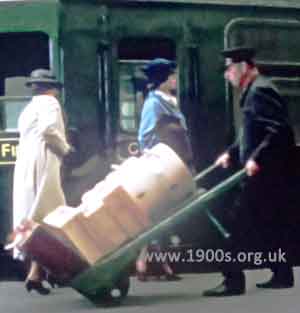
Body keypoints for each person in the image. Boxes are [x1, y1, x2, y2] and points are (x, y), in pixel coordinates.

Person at [202, 47, 296, 297]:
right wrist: (232, 153)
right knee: (270, 224)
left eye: (229, 69)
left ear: (244, 67)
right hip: (266, 176)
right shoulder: (254, 91)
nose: (227, 75)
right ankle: (282, 274)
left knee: (235, 223)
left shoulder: (261, 90)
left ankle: (232, 281)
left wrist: (255, 159)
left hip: (264, 175)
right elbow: (250, 133)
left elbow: (278, 130)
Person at [13, 69, 72, 295]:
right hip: (44, 160)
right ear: (52, 88)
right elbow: (49, 130)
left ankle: (36, 273)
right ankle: (49, 271)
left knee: (36, 217)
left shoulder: (28, 108)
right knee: (50, 215)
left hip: (26, 161)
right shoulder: (50, 103)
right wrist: (65, 148)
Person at [136, 58, 194, 281]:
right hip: (163, 168)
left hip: (175, 164)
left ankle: (150, 263)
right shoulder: (154, 104)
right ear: (163, 80)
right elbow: (145, 136)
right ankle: (147, 262)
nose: (175, 79)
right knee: (161, 214)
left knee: (161, 215)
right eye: (172, 76)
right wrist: (154, 159)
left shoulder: (167, 100)